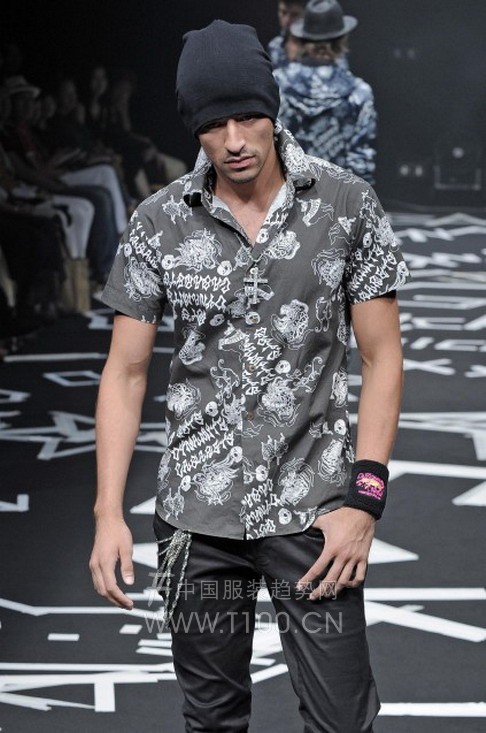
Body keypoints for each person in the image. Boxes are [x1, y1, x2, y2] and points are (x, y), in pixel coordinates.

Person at [89, 19, 410, 733]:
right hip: (195, 518)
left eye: (246, 117)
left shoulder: (346, 205)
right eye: (212, 124)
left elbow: (382, 356)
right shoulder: (158, 222)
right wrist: (108, 512)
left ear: (272, 108)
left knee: (342, 720)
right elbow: (125, 372)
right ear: (193, 128)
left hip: (316, 512)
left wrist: (365, 501)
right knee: (212, 720)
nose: (233, 140)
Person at [274, 0, 377, 183]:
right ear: (342, 40)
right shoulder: (358, 93)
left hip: (285, 190)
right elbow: (360, 161)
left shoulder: (276, 84)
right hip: (337, 195)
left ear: (302, 39)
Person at [268, 0, 307, 68]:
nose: (287, 19)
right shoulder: (274, 45)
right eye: (283, 12)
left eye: (294, 15)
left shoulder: (314, 46)